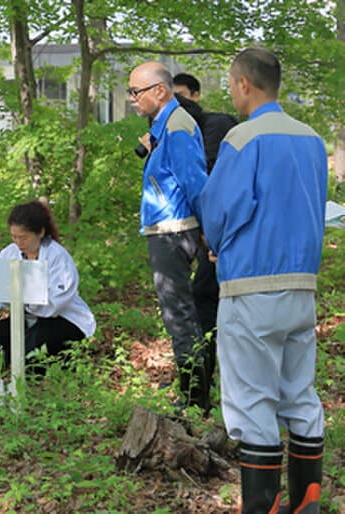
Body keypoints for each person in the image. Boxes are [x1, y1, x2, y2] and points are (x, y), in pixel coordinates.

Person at [199, 48, 327, 514]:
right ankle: (306, 506)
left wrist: (216, 243)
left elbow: (219, 210)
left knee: (253, 404)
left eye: (231, 84)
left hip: (251, 289)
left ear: (243, 85)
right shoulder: (312, 139)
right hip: (301, 288)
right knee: (300, 395)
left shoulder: (242, 139)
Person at [128, 62, 210, 411]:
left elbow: (195, 182)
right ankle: (195, 393)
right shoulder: (165, 125)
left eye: (136, 92)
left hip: (174, 231)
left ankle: (195, 401)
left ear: (160, 91)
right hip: (166, 228)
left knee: (179, 316)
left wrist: (209, 230)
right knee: (183, 315)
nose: (132, 99)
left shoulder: (176, 126)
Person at [173, 72, 239, 396]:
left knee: (206, 296)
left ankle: (200, 388)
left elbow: (209, 180)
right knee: (202, 298)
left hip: (226, 231)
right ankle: (198, 385)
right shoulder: (184, 130)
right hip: (207, 232)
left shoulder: (215, 126)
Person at [0, 201, 95, 370]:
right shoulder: (9, 253)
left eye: (24, 237)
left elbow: (59, 300)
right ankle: (23, 363)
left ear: (40, 232)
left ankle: (61, 360)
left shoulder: (57, 255)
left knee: (35, 345)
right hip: (27, 318)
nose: (18, 242)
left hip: (62, 319)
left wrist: (27, 297)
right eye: (14, 237)